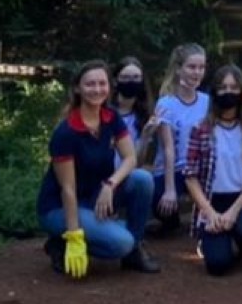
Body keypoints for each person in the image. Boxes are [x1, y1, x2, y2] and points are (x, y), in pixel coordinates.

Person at [40, 61, 160, 277]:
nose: (97, 89)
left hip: (96, 195)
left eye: (102, 83)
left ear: (109, 87)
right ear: (77, 88)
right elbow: (67, 189)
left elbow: (130, 158)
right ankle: (62, 241)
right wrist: (75, 235)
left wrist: (110, 184)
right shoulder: (66, 132)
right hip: (60, 206)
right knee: (121, 242)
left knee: (142, 179)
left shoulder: (110, 117)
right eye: (90, 84)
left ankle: (133, 251)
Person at [181, 64, 242, 275]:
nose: (228, 92)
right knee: (218, 266)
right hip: (211, 200)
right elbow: (190, 176)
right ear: (214, 92)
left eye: (234, 87)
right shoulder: (200, 129)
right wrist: (210, 214)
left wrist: (233, 212)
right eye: (222, 87)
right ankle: (213, 239)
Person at [153, 44, 212, 230]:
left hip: (200, 167)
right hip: (175, 169)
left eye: (201, 67)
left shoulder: (207, 101)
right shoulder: (166, 104)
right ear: (179, 69)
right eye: (192, 67)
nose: (197, 72)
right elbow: (169, 149)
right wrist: (170, 190)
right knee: (164, 211)